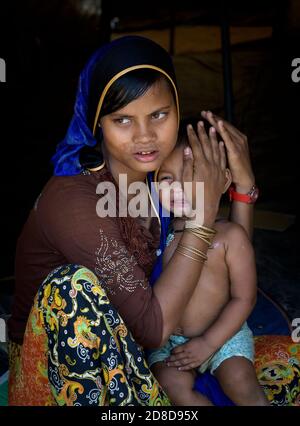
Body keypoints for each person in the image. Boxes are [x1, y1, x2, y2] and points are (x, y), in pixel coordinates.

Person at [7, 35, 257, 406]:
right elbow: (153, 330)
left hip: (140, 347)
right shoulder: (76, 201)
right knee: (70, 286)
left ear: (176, 108)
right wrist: (203, 213)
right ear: (97, 122)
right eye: (122, 119)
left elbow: (226, 256)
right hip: (66, 371)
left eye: (159, 114)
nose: (145, 137)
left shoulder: (157, 175)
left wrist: (242, 189)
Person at [147, 121, 269, 405]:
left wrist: (209, 343)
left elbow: (244, 298)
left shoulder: (229, 236)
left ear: (223, 181)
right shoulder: (158, 235)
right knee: (171, 386)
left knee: (240, 381)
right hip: (170, 343)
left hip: (223, 336)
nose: (176, 187)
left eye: (190, 174)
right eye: (165, 178)